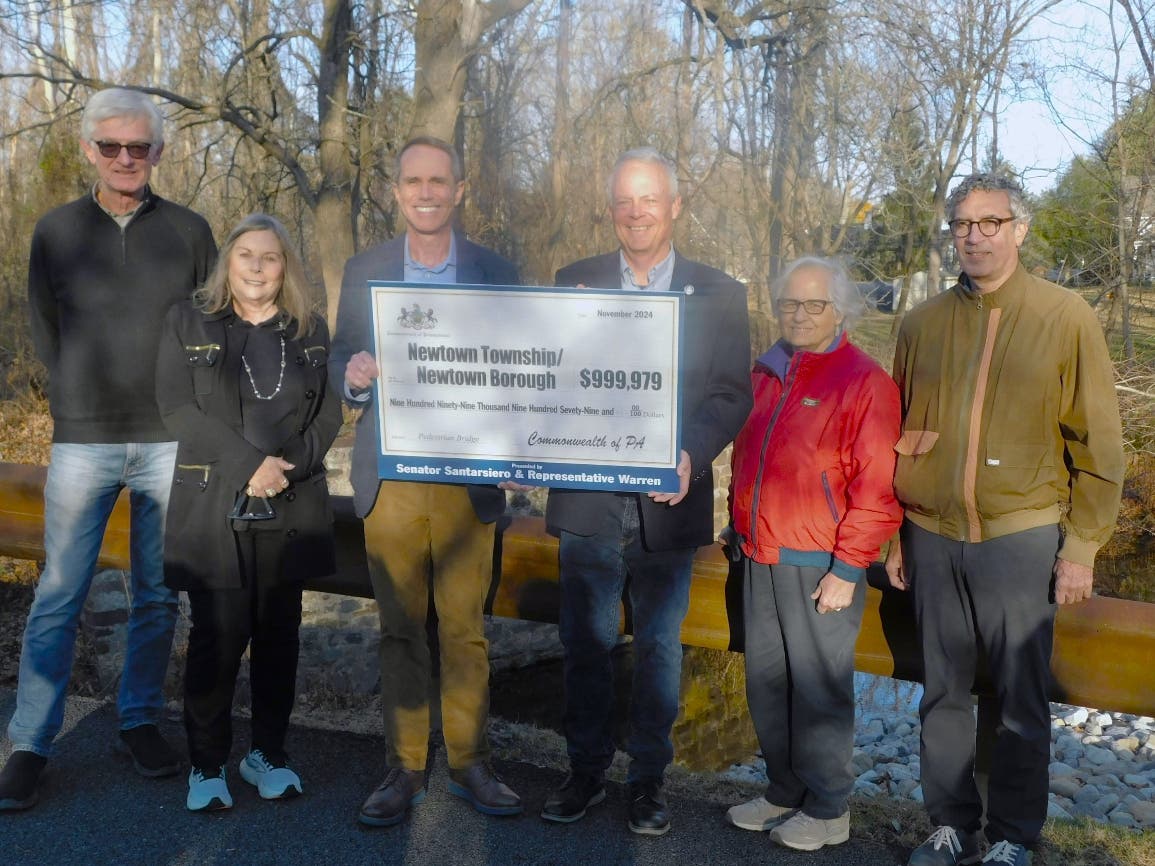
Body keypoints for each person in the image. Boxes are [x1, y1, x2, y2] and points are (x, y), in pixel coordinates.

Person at [886, 173, 1125, 866]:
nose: (974, 236)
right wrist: (893, 531)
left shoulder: (1062, 315)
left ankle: (1014, 837)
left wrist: (1079, 544)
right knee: (942, 692)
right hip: (931, 535)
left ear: (1017, 230)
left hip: (1021, 533)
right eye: (962, 224)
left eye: (990, 222)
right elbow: (894, 431)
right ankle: (950, 825)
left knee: (1019, 698)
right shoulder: (921, 323)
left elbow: (1097, 442)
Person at [0, 87, 216, 812]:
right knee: (59, 595)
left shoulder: (189, 230)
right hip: (84, 439)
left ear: (159, 152)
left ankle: (137, 720)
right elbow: (43, 321)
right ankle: (30, 741)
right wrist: (67, 398)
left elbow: (211, 328)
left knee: (157, 596)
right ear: (91, 149)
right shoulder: (56, 230)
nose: (126, 159)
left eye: (140, 147)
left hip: (167, 440)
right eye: (112, 146)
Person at [540, 147, 752, 836]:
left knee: (659, 651)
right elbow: (543, 380)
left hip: (668, 500)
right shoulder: (570, 284)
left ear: (675, 206)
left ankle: (648, 782)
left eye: (648, 199)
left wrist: (689, 452)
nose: (636, 212)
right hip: (586, 501)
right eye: (624, 201)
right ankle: (585, 771)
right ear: (611, 211)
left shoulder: (718, 293)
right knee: (585, 643)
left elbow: (730, 393)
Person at [329, 136, 523, 827]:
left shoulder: (498, 272)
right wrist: (350, 378)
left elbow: (521, 370)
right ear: (396, 190)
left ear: (459, 190)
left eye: (438, 180)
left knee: (465, 632)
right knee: (399, 629)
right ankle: (404, 768)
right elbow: (339, 358)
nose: (426, 191)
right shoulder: (366, 268)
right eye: (413, 180)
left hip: (470, 476)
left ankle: (471, 763)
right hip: (394, 474)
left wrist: (517, 450)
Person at [155, 214, 341, 811]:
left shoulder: (308, 330)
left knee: (279, 635)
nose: (258, 267)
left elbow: (331, 411)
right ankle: (206, 765)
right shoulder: (189, 322)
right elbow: (176, 409)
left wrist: (286, 465)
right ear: (227, 262)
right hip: (217, 504)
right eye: (246, 255)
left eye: (271, 257)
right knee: (219, 635)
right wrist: (248, 466)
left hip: (289, 503)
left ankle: (267, 754)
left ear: (285, 267)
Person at [725, 257, 902, 851]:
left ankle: (829, 808)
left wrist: (848, 569)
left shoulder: (862, 380)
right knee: (767, 683)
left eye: (814, 304)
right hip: (759, 551)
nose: (800, 315)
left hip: (819, 562)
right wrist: (736, 523)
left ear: (840, 311)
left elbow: (877, 487)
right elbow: (752, 458)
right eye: (790, 304)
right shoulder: (768, 369)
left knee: (819, 688)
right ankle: (784, 790)